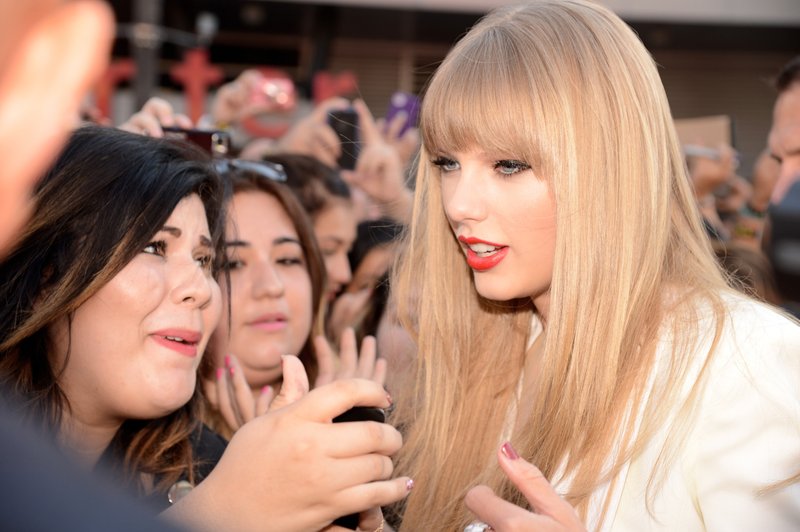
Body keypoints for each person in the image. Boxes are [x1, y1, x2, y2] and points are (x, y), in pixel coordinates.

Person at [389, 1, 800, 530]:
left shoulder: (745, 362)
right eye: (448, 163)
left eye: (509, 164)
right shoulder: (487, 354)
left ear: (610, 167)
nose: (459, 204)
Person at [204, 159, 385, 437]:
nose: (271, 286)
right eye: (233, 264)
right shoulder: (132, 460)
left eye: (288, 259)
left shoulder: (365, 419)